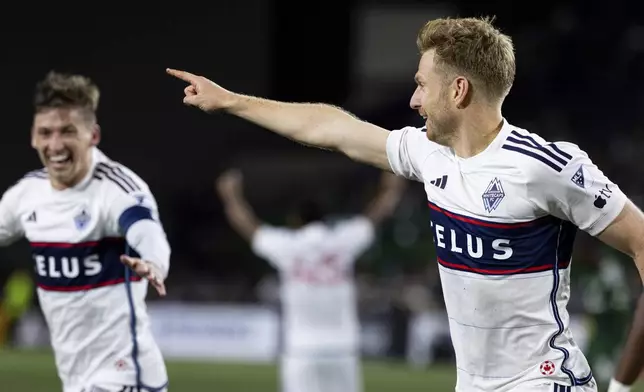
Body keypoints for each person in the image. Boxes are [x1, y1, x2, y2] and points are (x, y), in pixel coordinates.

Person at [167, 15, 644, 392]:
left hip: (543, 382)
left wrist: (627, 373)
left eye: (421, 84)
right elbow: (330, 128)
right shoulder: (427, 154)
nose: (414, 99)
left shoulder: (545, 166)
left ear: (458, 90)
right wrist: (232, 102)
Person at [0, 71, 171, 392]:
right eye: (45, 132)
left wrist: (154, 263)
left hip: (125, 376)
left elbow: (147, 231)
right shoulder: (26, 194)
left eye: (67, 131)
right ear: (33, 137)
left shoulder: (117, 189)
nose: (55, 144)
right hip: (77, 378)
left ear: (92, 135)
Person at [215, 168, 405, 392]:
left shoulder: (287, 245)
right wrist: (393, 186)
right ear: (324, 219)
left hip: (301, 349)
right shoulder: (343, 241)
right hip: (342, 348)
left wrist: (230, 195)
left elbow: (248, 227)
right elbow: (377, 215)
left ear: (296, 220)